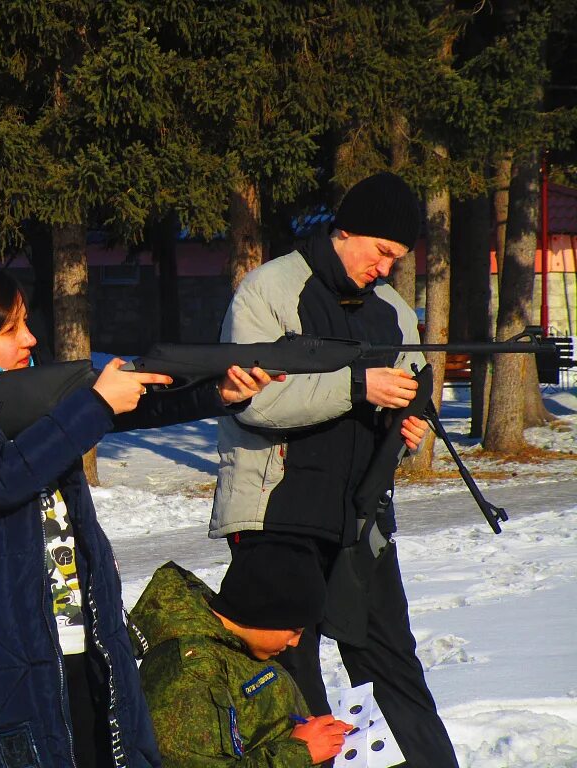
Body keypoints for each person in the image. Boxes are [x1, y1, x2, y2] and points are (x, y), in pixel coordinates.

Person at [0, 269, 275, 768]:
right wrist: (96, 403)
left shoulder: (25, 387)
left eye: (26, 323)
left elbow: (134, 407)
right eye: (12, 330)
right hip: (0, 647)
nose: (31, 339)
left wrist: (217, 395)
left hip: (89, 633)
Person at [210, 171, 457, 768]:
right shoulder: (267, 291)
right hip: (278, 516)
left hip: (361, 519)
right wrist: (357, 385)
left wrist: (404, 430)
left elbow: (399, 400)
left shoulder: (395, 312)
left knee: (392, 664)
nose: (386, 268)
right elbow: (254, 403)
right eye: (381, 252)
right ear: (346, 232)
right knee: (288, 685)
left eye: (397, 258)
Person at [130, 549, 351, 767]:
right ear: (263, 613)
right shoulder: (189, 672)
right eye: (294, 630)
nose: (295, 642)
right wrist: (299, 752)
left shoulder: (235, 645)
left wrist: (313, 734)